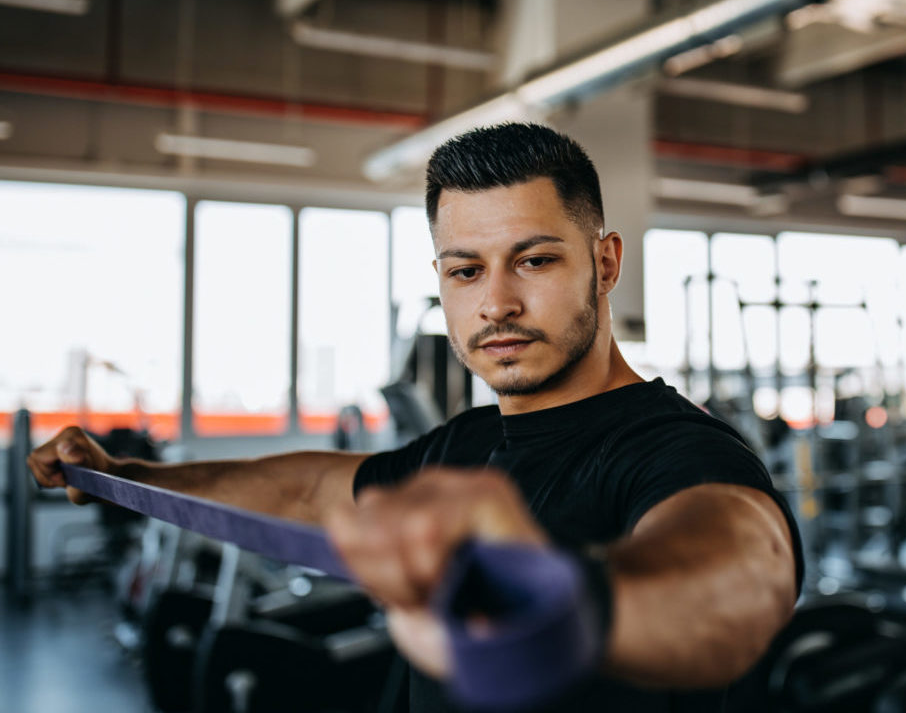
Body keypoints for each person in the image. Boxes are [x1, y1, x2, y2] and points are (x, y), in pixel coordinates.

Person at [28, 122, 802, 711]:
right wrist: (127, 475)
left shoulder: (678, 451)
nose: (495, 301)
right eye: (466, 271)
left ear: (604, 262)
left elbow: (735, 576)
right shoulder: (464, 445)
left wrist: (564, 602)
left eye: (534, 260)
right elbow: (306, 492)